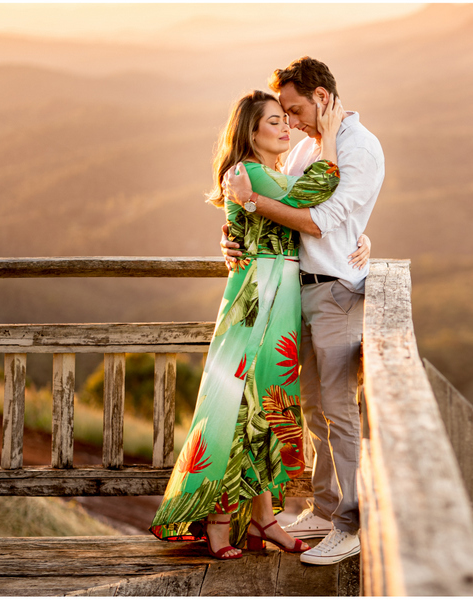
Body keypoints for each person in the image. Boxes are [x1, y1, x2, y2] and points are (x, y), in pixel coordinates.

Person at [149, 89, 370, 560]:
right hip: (259, 298)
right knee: (238, 403)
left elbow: (311, 217)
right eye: (274, 121)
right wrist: (331, 136)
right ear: (251, 133)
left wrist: (361, 236)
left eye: (286, 119)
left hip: (280, 297)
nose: (286, 127)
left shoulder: (265, 177)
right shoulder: (247, 173)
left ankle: (263, 519)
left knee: (269, 403)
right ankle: (218, 520)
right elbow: (317, 192)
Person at [221, 56, 385, 566]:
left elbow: (318, 220)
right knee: (312, 406)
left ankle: (350, 526)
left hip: (336, 291)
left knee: (339, 409)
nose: (289, 122)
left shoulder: (360, 147)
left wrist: (251, 202)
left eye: (294, 110)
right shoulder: (309, 147)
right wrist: (235, 233)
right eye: (283, 115)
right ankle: (325, 507)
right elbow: (288, 207)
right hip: (298, 291)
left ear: (321, 97)